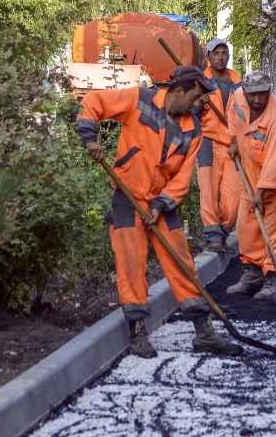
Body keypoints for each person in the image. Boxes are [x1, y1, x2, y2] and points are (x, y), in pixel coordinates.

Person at [76, 66, 243, 357]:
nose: (197, 104)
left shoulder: (193, 128)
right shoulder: (138, 100)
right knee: (131, 265)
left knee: (182, 263)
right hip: (128, 200)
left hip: (162, 204)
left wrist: (159, 205)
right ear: (178, 91)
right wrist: (90, 137)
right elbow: (93, 102)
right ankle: (137, 332)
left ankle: (204, 331)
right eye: (195, 97)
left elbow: (181, 177)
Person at [225, 71, 276, 299]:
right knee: (247, 228)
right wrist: (234, 141)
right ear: (245, 92)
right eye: (252, 95)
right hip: (249, 174)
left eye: (262, 94)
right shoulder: (238, 97)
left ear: (269, 91)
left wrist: (261, 192)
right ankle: (252, 272)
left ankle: (274, 278)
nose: (256, 100)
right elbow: (232, 114)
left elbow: (275, 162)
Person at [195, 38, 242, 254]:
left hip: (233, 144)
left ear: (228, 57)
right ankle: (213, 238)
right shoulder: (200, 82)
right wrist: (199, 105)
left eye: (224, 53)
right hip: (207, 142)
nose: (220, 57)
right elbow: (188, 115)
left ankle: (222, 233)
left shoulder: (238, 84)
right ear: (209, 57)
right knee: (209, 192)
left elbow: (244, 115)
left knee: (233, 198)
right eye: (216, 53)